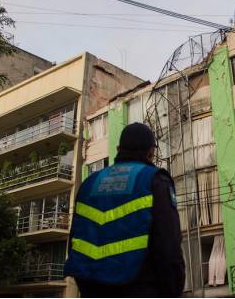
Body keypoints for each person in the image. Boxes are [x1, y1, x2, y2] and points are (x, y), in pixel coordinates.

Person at [64, 123, 185, 297]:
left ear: (118, 149)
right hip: (141, 289)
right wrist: (173, 292)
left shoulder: (89, 184)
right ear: (151, 152)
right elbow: (168, 245)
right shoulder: (154, 180)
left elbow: (75, 241)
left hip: (91, 289)